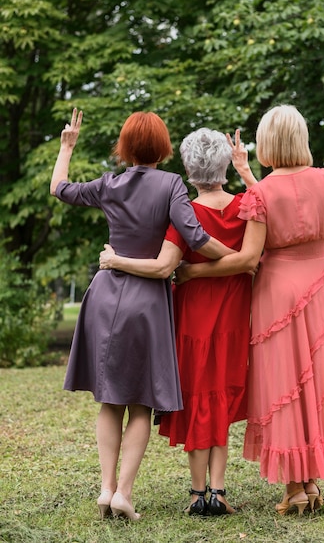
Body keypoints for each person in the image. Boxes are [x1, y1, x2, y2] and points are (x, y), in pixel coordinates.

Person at [172, 105, 324, 515]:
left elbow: (248, 258)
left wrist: (192, 275)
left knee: (285, 384)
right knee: (313, 380)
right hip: (320, 285)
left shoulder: (260, 194)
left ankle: (295, 488)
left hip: (276, 291)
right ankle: (309, 482)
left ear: (268, 143)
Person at [50, 109, 234, 521]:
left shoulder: (108, 184)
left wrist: (67, 146)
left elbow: (59, 188)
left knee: (110, 400)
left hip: (103, 294)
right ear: (164, 148)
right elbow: (196, 238)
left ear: (125, 147)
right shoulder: (172, 185)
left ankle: (105, 489)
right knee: (140, 406)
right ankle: (124, 495)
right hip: (146, 298)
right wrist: (238, 258)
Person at [99, 127, 257, 516]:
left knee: (199, 396)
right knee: (221, 396)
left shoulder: (183, 211)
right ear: (225, 165)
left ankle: (196, 493)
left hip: (191, 318)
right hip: (235, 315)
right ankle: (218, 492)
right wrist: (247, 170)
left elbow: (169, 263)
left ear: (188, 168)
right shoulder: (248, 206)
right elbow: (254, 257)